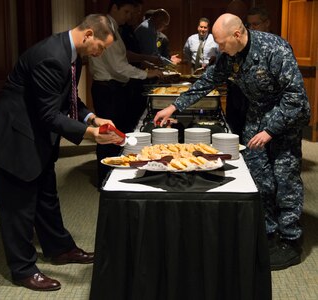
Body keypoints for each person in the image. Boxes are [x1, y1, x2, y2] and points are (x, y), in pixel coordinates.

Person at [154, 13, 311, 271]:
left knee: (285, 179)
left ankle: (291, 240)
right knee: (259, 176)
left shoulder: (274, 48)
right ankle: (268, 232)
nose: (219, 48)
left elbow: (296, 98)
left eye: (222, 42)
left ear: (237, 35)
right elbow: (208, 81)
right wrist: (174, 106)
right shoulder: (231, 54)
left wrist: (271, 131)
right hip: (256, 117)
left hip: (284, 120)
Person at [0, 14, 123, 292]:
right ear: (89, 34)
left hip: (37, 134)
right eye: (101, 47)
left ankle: (59, 248)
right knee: (18, 207)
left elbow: (68, 98)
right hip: (15, 137)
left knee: (46, 195)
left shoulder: (70, 54)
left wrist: (92, 118)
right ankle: (23, 269)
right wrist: (91, 135)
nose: (100, 53)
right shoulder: (51, 56)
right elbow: (48, 113)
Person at [88, 0, 163, 186]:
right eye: (127, 11)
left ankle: (114, 176)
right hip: (107, 89)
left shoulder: (115, 27)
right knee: (108, 137)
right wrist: (147, 74)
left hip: (114, 88)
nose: (130, 16)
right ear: (114, 7)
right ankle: (106, 180)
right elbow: (118, 67)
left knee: (116, 135)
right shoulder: (105, 28)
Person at [226, 7, 271, 141]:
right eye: (249, 24)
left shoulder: (276, 46)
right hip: (238, 99)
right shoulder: (243, 44)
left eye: (255, 24)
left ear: (267, 23)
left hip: (265, 111)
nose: (251, 28)